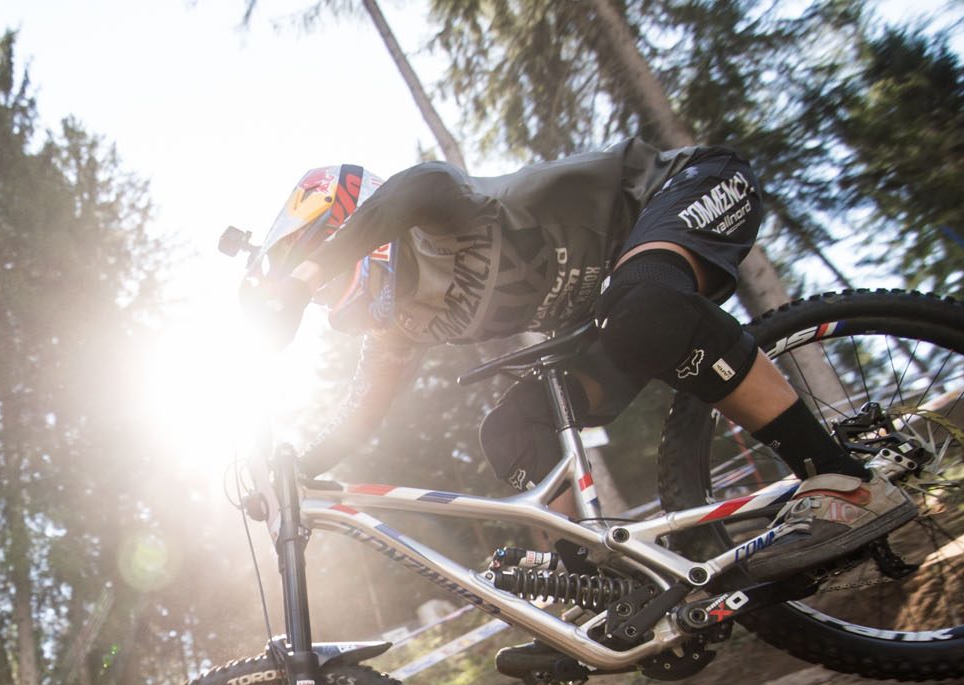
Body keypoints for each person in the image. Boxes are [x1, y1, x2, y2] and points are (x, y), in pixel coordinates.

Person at [237, 145, 918, 645]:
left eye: (328, 277)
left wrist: (299, 279)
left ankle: (844, 480)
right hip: (624, 317)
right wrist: (294, 466)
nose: (329, 302)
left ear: (356, 231)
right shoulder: (406, 324)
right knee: (510, 429)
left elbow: (416, 188)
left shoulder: (438, 212)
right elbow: (360, 418)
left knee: (640, 309)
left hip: (694, 186)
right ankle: (619, 592)